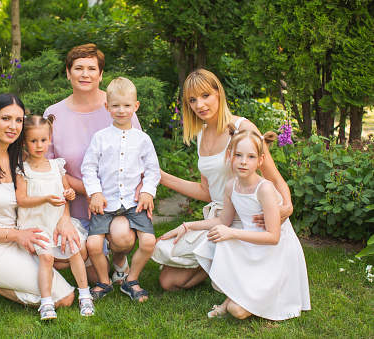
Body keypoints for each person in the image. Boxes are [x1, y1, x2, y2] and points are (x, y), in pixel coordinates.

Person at [152, 69, 293, 291]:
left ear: (219, 93)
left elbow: (274, 178)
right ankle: (219, 260)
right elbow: (207, 191)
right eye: (192, 100)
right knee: (169, 282)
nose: (200, 105)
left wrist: (287, 206)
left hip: (249, 220)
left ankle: (231, 262)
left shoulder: (243, 129)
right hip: (220, 217)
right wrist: (160, 177)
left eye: (205, 95)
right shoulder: (201, 135)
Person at [0, 93, 74, 312]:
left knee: (65, 259)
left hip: (17, 240)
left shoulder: (21, 156)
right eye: (5, 118)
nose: (13, 126)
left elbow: (56, 183)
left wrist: (65, 218)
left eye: (18, 120)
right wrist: (17, 235)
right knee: (63, 299)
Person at [43, 44, 143, 289]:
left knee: (122, 237)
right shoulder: (53, 113)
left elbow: (137, 157)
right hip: (74, 206)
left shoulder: (119, 108)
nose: (85, 74)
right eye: (78, 68)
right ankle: (97, 260)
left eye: (91, 69)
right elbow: (49, 167)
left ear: (100, 75)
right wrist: (87, 191)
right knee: (95, 276)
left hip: (114, 203)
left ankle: (119, 258)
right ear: (68, 73)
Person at [184, 126, 310, 320]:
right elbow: (223, 221)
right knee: (220, 237)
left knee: (238, 311)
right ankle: (234, 296)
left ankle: (232, 301)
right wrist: (188, 226)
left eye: (251, 157)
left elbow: (273, 237)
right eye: (238, 155)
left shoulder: (264, 189)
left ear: (260, 160)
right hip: (251, 244)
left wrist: (233, 234)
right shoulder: (231, 186)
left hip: (272, 252)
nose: (243, 162)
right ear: (229, 156)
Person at [81, 77, 160, 302]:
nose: (121, 110)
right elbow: (88, 167)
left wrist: (147, 191)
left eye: (127, 105)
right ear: (107, 107)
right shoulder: (101, 138)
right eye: (115, 105)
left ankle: (131, 280)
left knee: (148, 242)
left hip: (134, 203)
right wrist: (94, 192)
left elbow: (153, 170)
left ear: (135, 106)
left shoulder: (143, 140)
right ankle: (104, 282)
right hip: (105, 202)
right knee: (93, 245)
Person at [15, 115, 94, 319]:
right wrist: (44, 199)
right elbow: (21, 200)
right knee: (47, 257)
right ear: (24, 142)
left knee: (74, 251)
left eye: (43, 140)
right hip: (36, 222)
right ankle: (46, 301)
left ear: (50, 139)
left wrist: (70, 194)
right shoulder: (23, 170)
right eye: (33, 141)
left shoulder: (56, 166)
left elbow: (67, 192)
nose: (39, 145)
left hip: (57, 220)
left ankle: (84, 295)